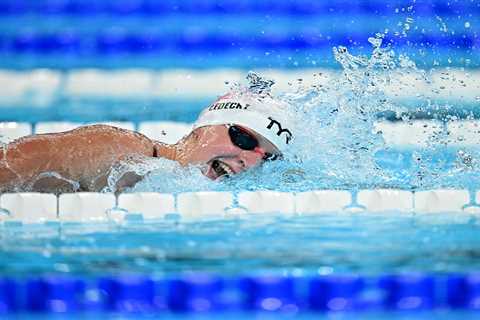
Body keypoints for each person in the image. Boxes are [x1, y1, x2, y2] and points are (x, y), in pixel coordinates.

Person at [0, 92, 293, 193]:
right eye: (244, 138)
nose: (250, 161)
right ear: (206, 127)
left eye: (267, 157)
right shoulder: (114, 149)